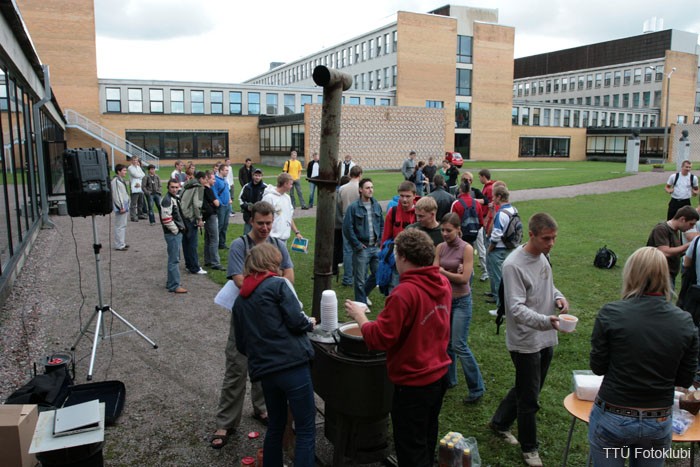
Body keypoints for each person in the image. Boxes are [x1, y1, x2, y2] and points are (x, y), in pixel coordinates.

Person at [345, 229, 451, 467]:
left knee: (410, 449)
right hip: (439, 375)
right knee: (426, 436)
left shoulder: (404, 293)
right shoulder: (442, 282)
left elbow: (379, 339)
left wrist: (360, 316)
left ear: (402, 257)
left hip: (413, 384)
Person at [589, 247, 698, 466]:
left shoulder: (611, 313)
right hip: (657, 419)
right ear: (665, 276)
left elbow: (598, 367)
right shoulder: (684, 322)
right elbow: (685, 380)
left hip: (614, 415)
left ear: (630, 274)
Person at [212, 201, 294, 449]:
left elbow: (289, 275)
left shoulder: (278, 244)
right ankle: (226, 422)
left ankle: (261, 409)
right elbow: (239, 280)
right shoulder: (240, 245)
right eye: (260, 223)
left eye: (269, 223)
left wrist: (264, 284)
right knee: (236, 367)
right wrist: (273, 286)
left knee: (265, 367)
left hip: (269, 320)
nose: (265, 228)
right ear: (251, 221)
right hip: (245, 318)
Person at [489, 213, 569, 467]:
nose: (551, 243)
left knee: (528, 387)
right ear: (531, 235)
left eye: (554, 238)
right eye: (546, 238)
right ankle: (529, 448)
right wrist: (546, 321)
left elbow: (547, 286)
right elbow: (515, 309)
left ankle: (500, 422)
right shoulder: (513, 265)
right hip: (525, 341)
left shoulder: (543, 256)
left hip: (545, 335)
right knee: (529, 397)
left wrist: (558, 297)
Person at [232, 243, 316, 466]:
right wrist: (310, 323)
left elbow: (241, 344)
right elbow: (296, 320)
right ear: (270, 263)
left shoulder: (240, 300)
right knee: (305, 428)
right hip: (293, 366)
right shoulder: (278, 284)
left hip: (266, 372)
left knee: (276, 425)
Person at [435, 213, 484, 403]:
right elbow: (433, 273)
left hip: (462, 301)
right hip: (445, 301)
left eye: (449, 230)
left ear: (458, 230)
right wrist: (451, 272)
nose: (445, 234)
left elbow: (464, 279)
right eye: (442, 230)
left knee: (459, 344)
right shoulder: (440, 247)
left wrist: (443, 272)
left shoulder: (467, 249)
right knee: (447, 343)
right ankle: (450, 379)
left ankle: (477, 388)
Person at [343, 178, 384, 305]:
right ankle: (361, 304)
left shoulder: (376, 205)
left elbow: (382, 225)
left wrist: (380, 240)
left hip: (375, 247)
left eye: (372, 187)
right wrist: (357, 245)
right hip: (362, 248)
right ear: (360, 190)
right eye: (367, 188)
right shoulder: (353, 207)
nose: (370, 190)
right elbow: (347, 228)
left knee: (378, 274)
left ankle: (363, 294)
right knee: (360, 279)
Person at [646, 205, 699, 288]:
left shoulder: (676, 231)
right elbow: (665, 252)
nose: (691, 227)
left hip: (669, 275)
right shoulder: (661, 229)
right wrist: (692, 243)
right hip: (660, 275)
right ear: (682, 219)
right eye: (691, 224)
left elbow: (676, 251)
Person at [487, 186, 518, 315]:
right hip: (509, 248)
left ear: (499, 197)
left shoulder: (501, 214)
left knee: (499, 279)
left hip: (498, 249)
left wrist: (490, 248)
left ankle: (501, 309)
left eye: (494, 196)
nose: (493, 198)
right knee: (507, 279)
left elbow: (496, 234)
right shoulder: (513, 210)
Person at [338, 165, 364, 286]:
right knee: (358, 248)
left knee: (347, 249)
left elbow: (339, 204)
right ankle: (357, 275)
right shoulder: (361, 187)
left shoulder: (342, 188)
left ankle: (348, 278)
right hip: (359, 218)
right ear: (360, 174)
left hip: (345, 217)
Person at [159, 179, 187, 293]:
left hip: (174, 232)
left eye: (176, 187)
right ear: (168, 187)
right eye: (172, 187)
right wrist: (176, 230)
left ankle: (171, 282)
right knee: (174, 259)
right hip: (172, 233)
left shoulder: (172, 198)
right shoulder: (167, 200)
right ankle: (174, 285)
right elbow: (166, 219)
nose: (174, 189)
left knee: (174, 258)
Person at [262, 173, 304, 243]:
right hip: (271, 239)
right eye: (290, 184)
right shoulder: (269, 198)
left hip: (284, 239)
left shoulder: (287, 198)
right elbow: (263, 218)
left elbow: (289, 217)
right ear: (285, 184)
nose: (291, 186)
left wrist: (297, 232)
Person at [180, 171, 207, 275]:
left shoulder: (187, 183)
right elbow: (196, 204)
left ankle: (188, 265)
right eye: (205, 179)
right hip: (190, 217)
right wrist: (199, 218)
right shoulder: (198, 187)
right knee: (192, 243)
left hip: (183, 215)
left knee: (186, 243)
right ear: (201, 179)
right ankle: (195, 267)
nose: (206, 181)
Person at [202, 171, 223, 271]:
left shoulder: (203, 189)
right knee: (214, 239)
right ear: (207, 179)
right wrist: (216, 202)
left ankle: (208, 260)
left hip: (206, 216)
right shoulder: (208, 190)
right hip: (211, 216)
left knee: (208, 239)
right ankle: (215, 262)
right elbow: (217, 203)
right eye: (213, 179)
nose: (214, 181)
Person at [239, 168, 267, 235]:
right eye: (256, 175)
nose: (257, 177)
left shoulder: (266, 188)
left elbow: (268, 202)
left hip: (260, 216)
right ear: (252, 175)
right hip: (249, 217)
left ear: (262, 176)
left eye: (259, 176)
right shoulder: (246, 186)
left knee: (260, 235)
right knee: (247, 235)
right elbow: (241, 199)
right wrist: (247, 207)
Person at [111, 164, 130, 251]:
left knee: (123, 225)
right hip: (121, 206)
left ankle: (121, 242)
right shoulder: (115, 181)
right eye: (124, 170)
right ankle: (119, 244)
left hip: (124, 204)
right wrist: (120, 207)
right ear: (119, 171)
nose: (125, 172)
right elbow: (117, 195)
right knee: (119, 226)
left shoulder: (120, 180)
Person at [214, 164, 232, 250]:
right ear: (221, 170)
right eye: (226, 170)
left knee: (225, 225)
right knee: (220, 225)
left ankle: (222, 243)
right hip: (221, 206)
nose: (227, 172)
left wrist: (229, 200)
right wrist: (221, 203)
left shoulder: (225, 180)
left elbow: (227, 191)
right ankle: (215, 243)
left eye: (228, 170)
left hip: (227, 205)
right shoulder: (216, 180)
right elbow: (215, 193)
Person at [128, 156, 146, 222]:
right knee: (134, 202)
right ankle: (133, 216)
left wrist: (139, 175)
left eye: (136, 160)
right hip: (134, 186)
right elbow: (135, 175)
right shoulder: (130, 168)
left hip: (140, 185)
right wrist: (140, 175)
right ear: (131, 161)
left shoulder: (138, 167)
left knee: (140, 201)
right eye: (134, 160)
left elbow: (143, 175)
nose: (135, 161)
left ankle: (140, 214)